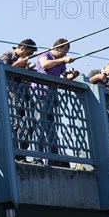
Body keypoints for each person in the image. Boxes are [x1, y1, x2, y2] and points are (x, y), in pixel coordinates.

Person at [33, 38, 80, 168]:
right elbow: (45, 65)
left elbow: (65, 75)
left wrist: (73, 75)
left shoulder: (61, 62)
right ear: (57, 48)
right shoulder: (45, 54)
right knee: (40, 127)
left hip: (52, 97)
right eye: (64, 52)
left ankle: (53, 158)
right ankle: (38, 157)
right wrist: (63, 60)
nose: (65, 55)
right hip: (40, 95)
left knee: (52, 129)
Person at [0, 39, 37, 161]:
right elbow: (0, 70)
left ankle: (22, 151)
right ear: (22, 48)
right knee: (14, 125)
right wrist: (17, 65)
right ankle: (14, 153)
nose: (29, 56)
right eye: (28, 52)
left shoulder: (24, 60)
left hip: (24, 95)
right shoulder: (8, 55)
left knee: (31, 123)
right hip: (11, 95)